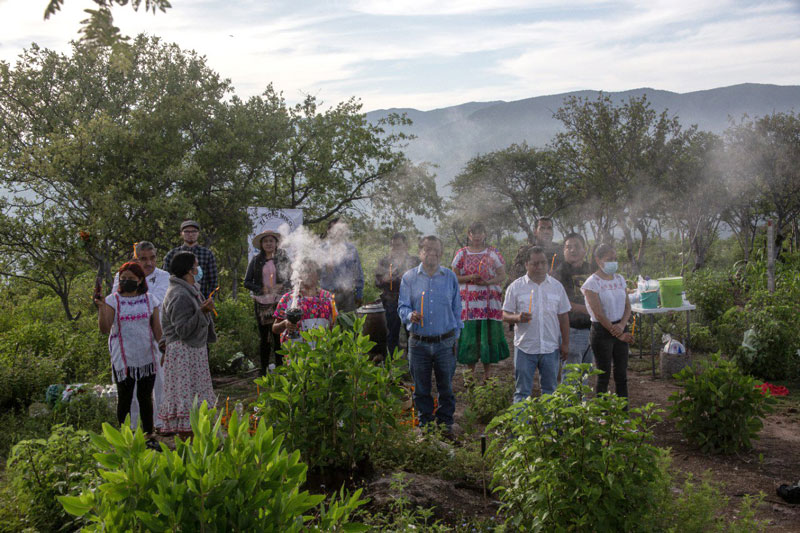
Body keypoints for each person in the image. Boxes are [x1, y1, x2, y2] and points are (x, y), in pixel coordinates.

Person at [398, 235, 463, 433]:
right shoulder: (409, 278)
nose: (432, 254)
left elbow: (457, 308)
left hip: (445, 342)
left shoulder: (450, 277)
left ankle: (445, 425)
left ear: (441, 253)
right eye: (428, 250)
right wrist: (410, 315)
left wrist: (456, 334)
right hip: (419, 343)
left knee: (446, 387)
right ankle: (425, 426)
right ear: (420, 252)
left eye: (436, 250)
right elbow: (402, 307)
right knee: (421, 388)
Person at [94, 262, 162, 448]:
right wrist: (101, 307)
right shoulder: (112, 300)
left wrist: (164, 350)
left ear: (140, 280)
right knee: (124, 397)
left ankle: (149, 436)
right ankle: (123, 438)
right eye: (123, 278)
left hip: (147, 355)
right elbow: (105, 328)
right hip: (123, 358)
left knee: (145, 397)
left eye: (131, 279)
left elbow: (157, 329)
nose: (127, 282)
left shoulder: (150, 300)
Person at [111, 240, 170, 431]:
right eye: (143, 259)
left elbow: (157, 301)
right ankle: (131, 427)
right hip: (125, 337)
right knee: (128, 387)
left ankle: (157, 423)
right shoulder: (122, 275)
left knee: (157, 382)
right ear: (135, 258)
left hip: (152, 332)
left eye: (152, 258)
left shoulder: (163, 276)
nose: (149, 263)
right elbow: (115, 301)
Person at [159, 251, 217, 436]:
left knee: (196, 398)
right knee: (187, 399)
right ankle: (187, 443)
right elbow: (182, 330)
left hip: (193, 352)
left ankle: (198, 442)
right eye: (196, 265)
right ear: (189, 270)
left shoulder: (190, 289)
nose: (198, 269)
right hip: (183, 354)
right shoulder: (179, 294)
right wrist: (202, 311)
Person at [502, 246, 570, 403]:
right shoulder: (516, 287)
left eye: (543, 263)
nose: (539, 267)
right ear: (526, 264)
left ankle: (548, 427)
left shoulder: (556, 287)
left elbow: (564, 316)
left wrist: (565, 343)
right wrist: (517, 317)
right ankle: (521, 426)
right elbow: (503, 314)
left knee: (550, 390)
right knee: (522, 391)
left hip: (550, 347)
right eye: (535, 263)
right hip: (525, 347)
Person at [450, 222, 509, 383]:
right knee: (470, 336)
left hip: (488, 304)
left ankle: (487, 374)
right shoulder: (461, 254)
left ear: (484, 234)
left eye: (479, 232)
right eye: (473, 233)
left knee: (487, 336)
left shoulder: (492, 252)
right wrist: (470, 278)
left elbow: (502, 275)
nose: (476, 236)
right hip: (469, 305)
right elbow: (454, 276)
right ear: (468, 235)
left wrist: (488, 282)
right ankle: (470, 374)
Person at [581, 243, 634, 399]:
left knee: (621, 374)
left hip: (620, 327)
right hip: (602, 331)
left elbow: (628, 306)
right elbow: (599, 314)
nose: (613, 262)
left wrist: (622, 326)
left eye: (615, 259)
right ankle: (602, 415)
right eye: (609, 259)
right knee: (603, 375)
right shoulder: (592, 283)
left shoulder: (619, 279)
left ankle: (623, 413)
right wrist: (617, 332)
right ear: (598, 260)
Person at [244, 230, 292, 374]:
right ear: (261, 244)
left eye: (271, 241)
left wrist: (282, 285)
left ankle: (280, 368)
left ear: (276, 243)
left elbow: (292, 277)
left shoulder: (283, 258)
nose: (269, 244)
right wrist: (260, 289)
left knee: (279, 336)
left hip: (280, 301)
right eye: (266, 241)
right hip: (262, 303)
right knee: (264, 337)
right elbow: (247, 282)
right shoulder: (256, 260)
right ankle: (263, 369)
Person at [553, 233, 594, 383]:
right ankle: (570, 405)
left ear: (584, 250)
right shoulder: (559, 272)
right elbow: (561, 303)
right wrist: (589, 310)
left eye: (576, 246)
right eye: (568, 247)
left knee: (585, 374)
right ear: (564, 251)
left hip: (591, 328)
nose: (572, 250)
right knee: (571, 375)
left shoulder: (591, 270)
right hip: (571, 329)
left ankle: (582, 406)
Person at [374, 232, 419, 358]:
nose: (395, 249)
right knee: (391, 334)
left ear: (406, 245)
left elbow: (423, 281)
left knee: (412, 332)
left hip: (411, 301)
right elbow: (377, 282)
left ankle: (413, 364)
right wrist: (384, 279)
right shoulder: (384, 262)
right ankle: (392, 366)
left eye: (398, 245)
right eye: (393, 246)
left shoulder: (414, 261)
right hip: (390, 300)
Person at [273, 259, 336, 343]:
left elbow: (335, 326)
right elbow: (275, 329)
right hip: (295, 352)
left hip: (322, 351)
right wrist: (285, 324)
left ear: (318, 275)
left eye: (310, 271)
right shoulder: (287, 299)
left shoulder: (327, 298)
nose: (307, 274)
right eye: (303, 271)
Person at [162, 220, 218, 299]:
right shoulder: (172, 254)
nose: (191, 234)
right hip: (177, 299)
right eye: (187, 232)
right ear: (181, 234)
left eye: (194, 231)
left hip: (201, 300)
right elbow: (165, 279)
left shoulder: (207, 254)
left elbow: (213, 281)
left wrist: (208, 299)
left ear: (198, 233)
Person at [320, 218, 364, 313]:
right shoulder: (321, 249)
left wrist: (359, 293)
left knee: (350, 325)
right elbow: (313, 274)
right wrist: (324, 269)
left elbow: (358, 272)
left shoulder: (351, 249)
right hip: (327, 296)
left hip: (348, 295)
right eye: (334, 229)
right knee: (329, 326)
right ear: (328, 231)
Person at [508, 217, 563, 283]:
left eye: (549, 228)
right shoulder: (526, 252)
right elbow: (514, 278)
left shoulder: (561, 250)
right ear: (535, 232)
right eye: (542, 228)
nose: (546, 232)